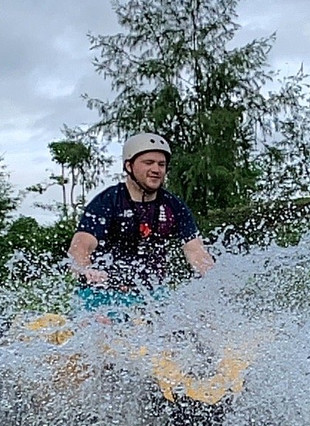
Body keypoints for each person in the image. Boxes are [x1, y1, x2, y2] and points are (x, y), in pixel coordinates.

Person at [67, 132, 215, 316]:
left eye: (161, 164)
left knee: (188, 330)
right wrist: (87, 269)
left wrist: (215, 282)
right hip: (103, 295)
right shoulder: (107, 201)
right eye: (148, 163)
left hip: (153, 295)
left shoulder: (173, 206)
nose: (157, 169)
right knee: (102, 328)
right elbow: (80, 246)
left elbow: (196, 251)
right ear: (129, 166)